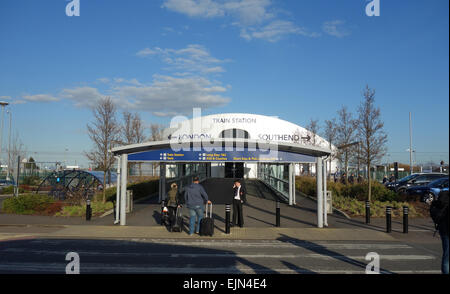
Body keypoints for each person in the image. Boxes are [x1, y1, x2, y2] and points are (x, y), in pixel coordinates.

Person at [434, 190, 449, 274]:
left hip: (444, 230)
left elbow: (434, 212)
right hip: (445, 229)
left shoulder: (441, 199)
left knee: (446, 255)